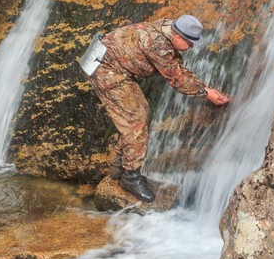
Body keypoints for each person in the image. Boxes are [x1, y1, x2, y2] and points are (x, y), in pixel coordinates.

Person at [81, 14, 230, 202]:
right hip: (105, 70)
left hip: (115, 65)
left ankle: (119, 168)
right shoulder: (158, 45)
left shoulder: (168, 28)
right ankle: (130, 177)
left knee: (140, 112)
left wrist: (205, 89)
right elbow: (177, 78)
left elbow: (176, 68)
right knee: (135, 121)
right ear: (178, 37)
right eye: (190, 43)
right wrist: (206, 93)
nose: (192, 47)